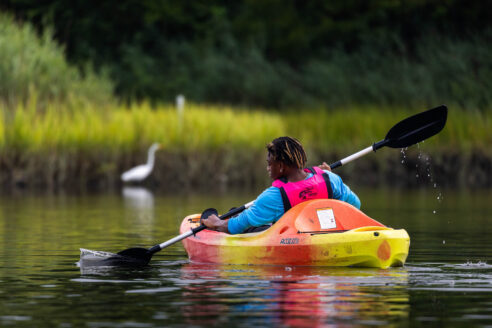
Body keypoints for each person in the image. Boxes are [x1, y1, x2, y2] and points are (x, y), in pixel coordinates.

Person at [201, 136, 360, 234]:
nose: (268, 168)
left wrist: (217, 223)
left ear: (282, 166)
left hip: (294, 240)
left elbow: (235, 227)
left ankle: (232, 214)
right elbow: (355, 205)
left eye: (270, 164)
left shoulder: (274, 197)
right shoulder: (330, 179)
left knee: (247, 224)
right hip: (330, 234)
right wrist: (328, 175)